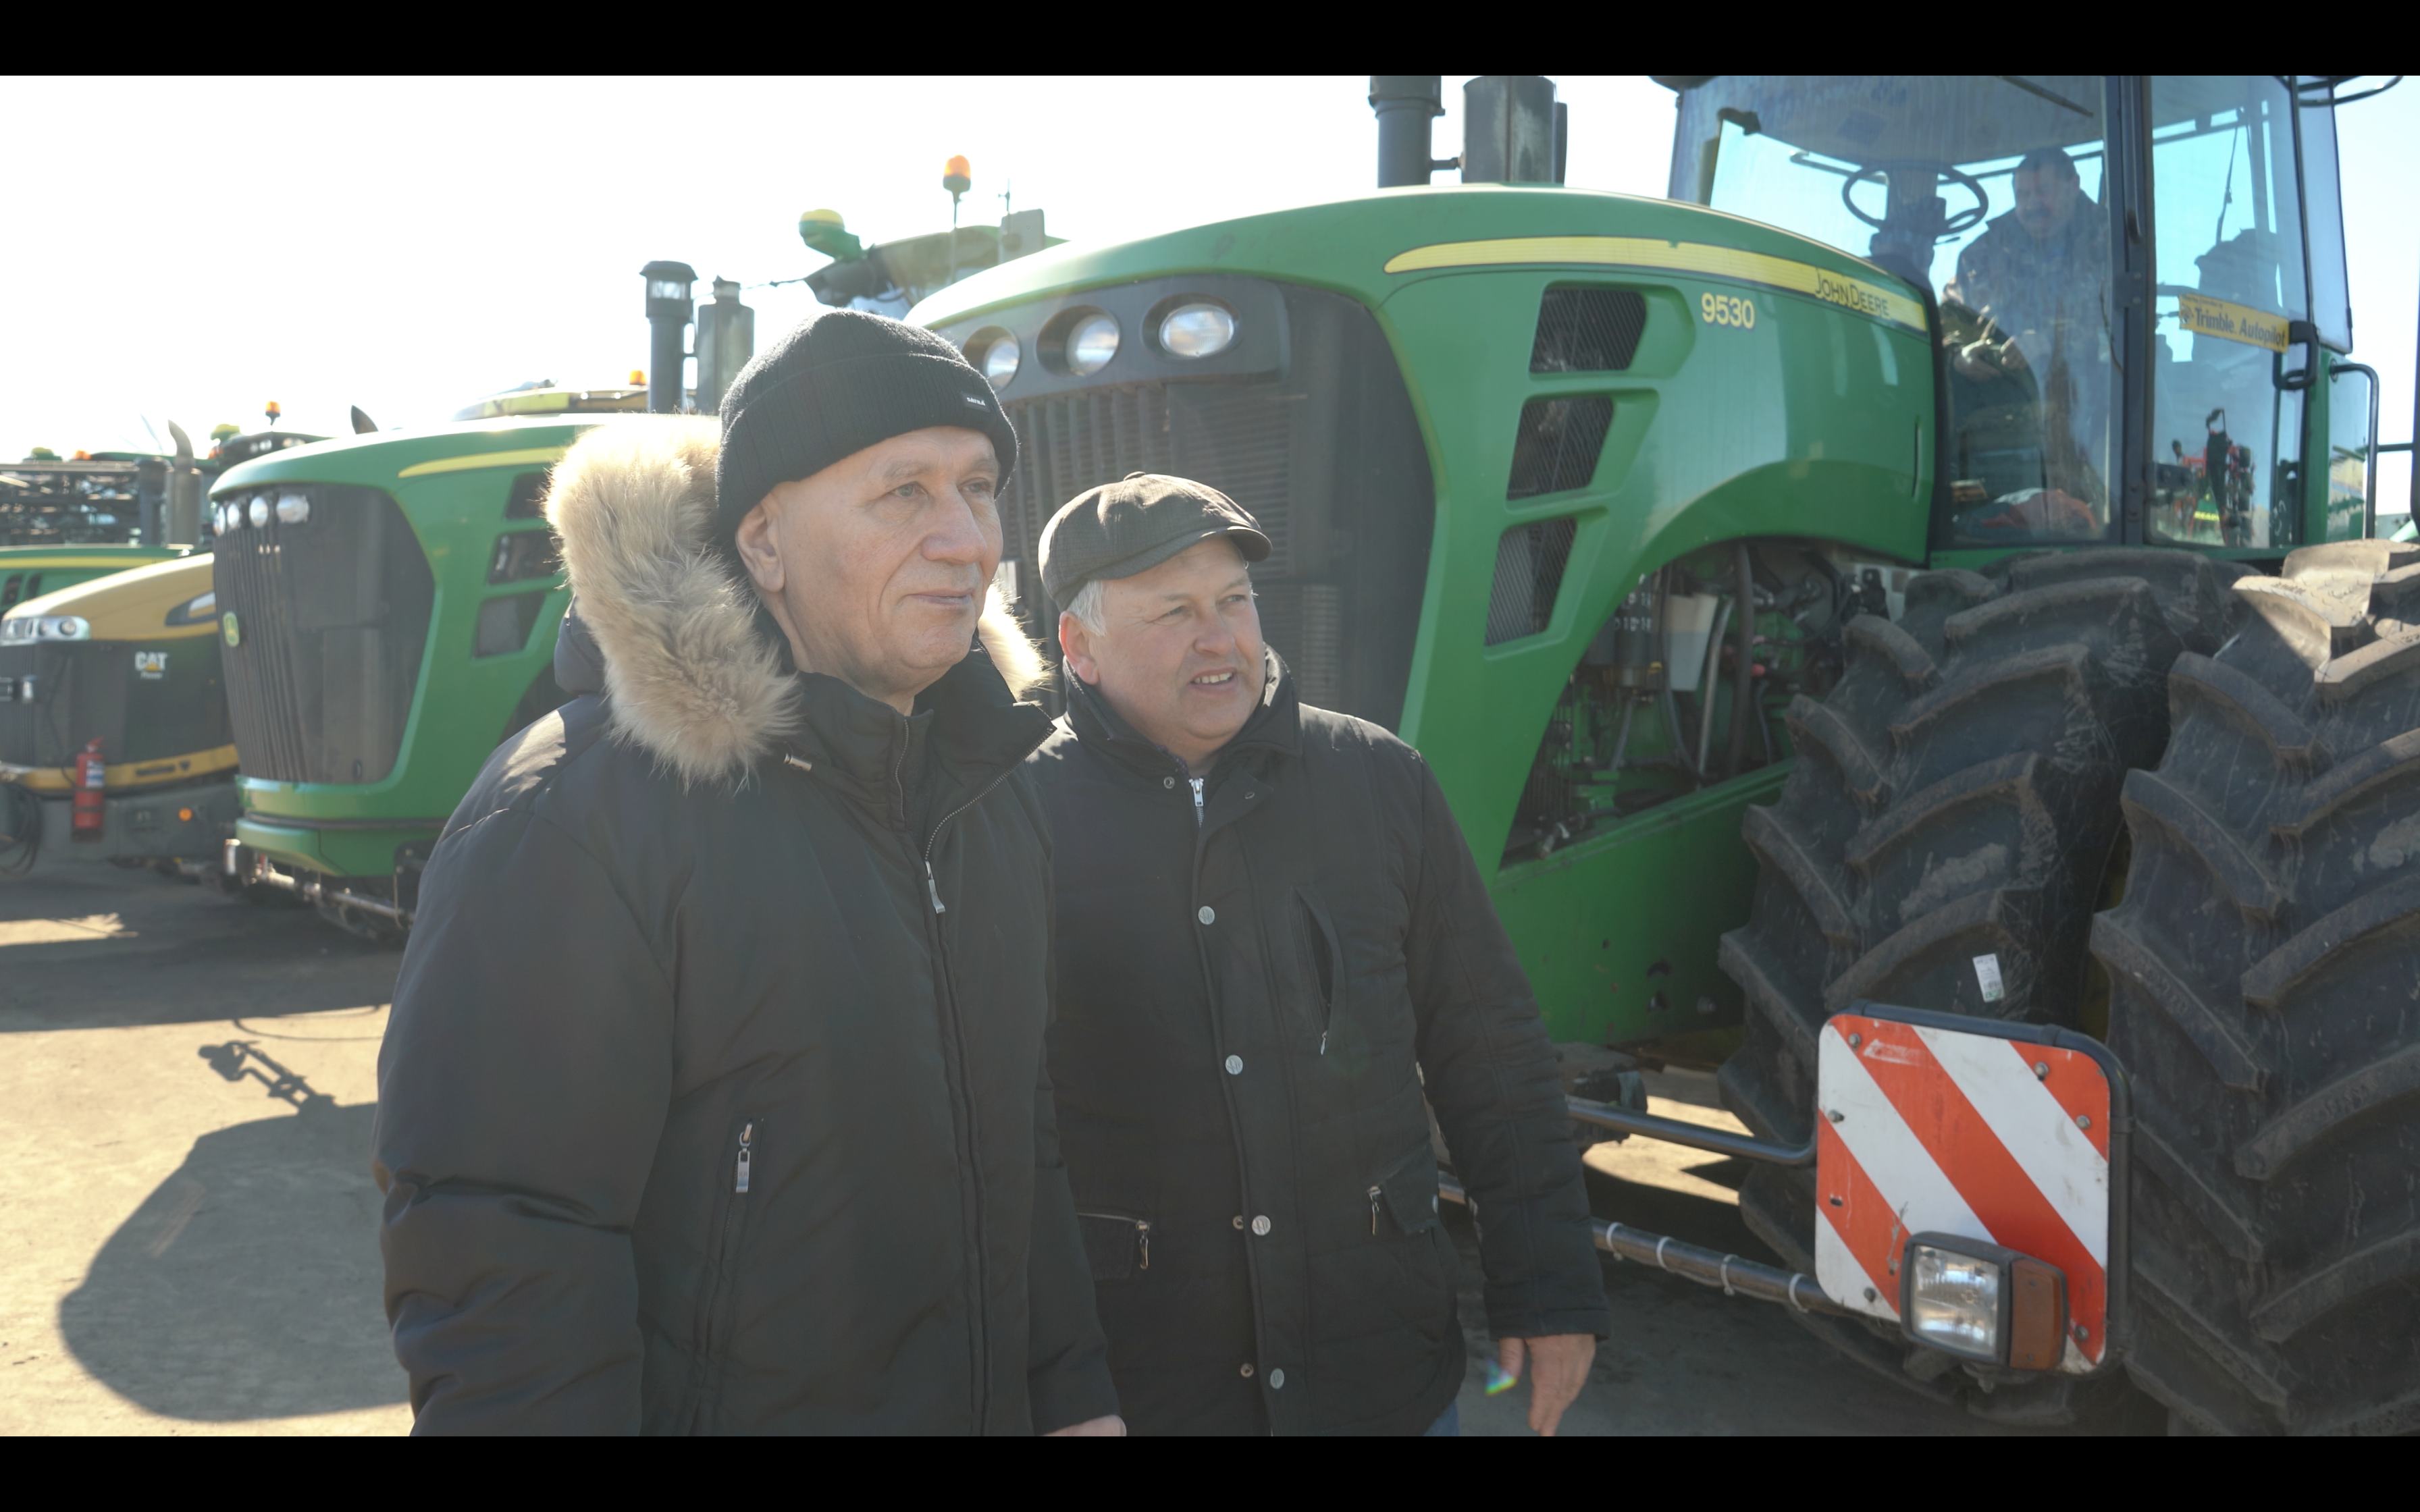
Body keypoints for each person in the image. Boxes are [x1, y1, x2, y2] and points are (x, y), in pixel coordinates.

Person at [372, 310, 1122, 1436]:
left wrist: (1068, 1398)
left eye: (977, 489)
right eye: (903, 492)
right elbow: (503, 1235)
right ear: (762, 543)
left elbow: (1021, 1136)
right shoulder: (579, 814)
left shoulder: (987, 789)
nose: (966, 540)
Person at [1026, 473, 1609, 1436]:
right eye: (1173, 611)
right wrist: (1055, 1386)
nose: (1219, 638)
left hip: (1379, 1377)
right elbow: (998, 1132)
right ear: (1079, 650)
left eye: (1234, 601)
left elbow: (1489, 1042)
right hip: (1147, 1391)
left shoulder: (1376, 779)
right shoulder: (1017, 819)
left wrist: (1549, 1289)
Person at [1947, 146, 2112, 530]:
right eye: (2023, 196)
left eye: (2044, 192)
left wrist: (2051, 345)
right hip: (2000, 394)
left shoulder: (2113, 245)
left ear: (2074, 186)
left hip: (2088, 396)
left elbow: (2123, 327)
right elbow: (1950, 319)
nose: (2033, 205)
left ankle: (2093, 516)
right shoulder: (1983, 254)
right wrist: (1960, 354)